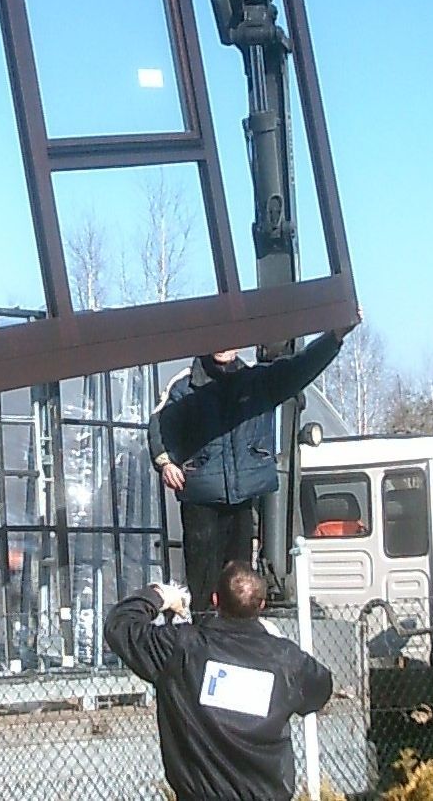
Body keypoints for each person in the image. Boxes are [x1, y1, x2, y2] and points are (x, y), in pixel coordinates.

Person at [147, 329, 347, 611]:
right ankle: (205, 634)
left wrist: (334, 338)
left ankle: (238, 634)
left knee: (240, 580)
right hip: (201, 497)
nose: (223, 345)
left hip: (242, 497)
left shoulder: (256, 380)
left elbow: (300, 368)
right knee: (203, 581)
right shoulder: (185, 384)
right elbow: (160, 423)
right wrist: (165, 461)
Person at [105, 561, 333, 801]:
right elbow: (321, 689)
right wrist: (278, 647)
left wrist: (159, 595)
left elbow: (120, 625)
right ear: (262, 605)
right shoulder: (286, 659)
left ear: (215, 600)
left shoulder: (181, 648)